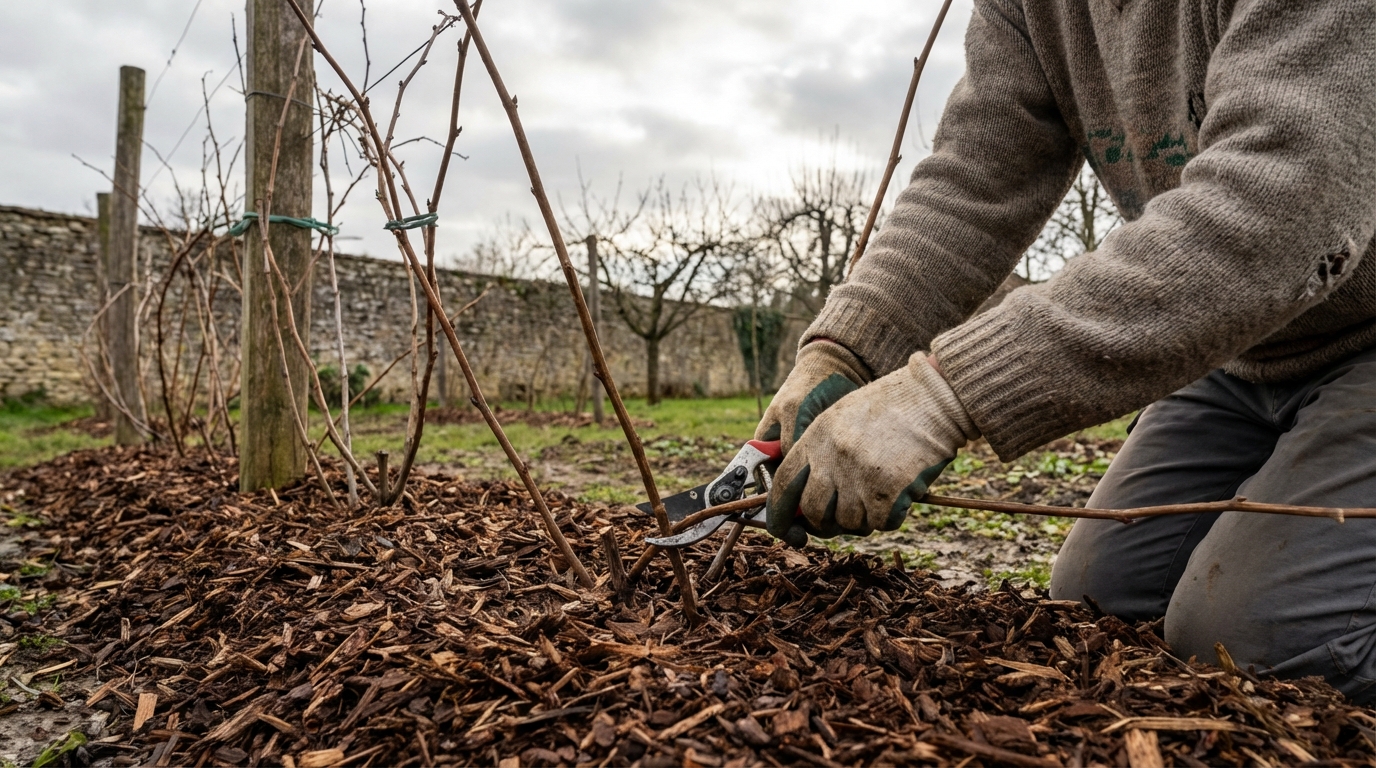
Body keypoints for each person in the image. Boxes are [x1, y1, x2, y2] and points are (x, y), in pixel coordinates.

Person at [758, 0, 1376, 702]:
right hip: (1240, 352)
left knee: (1264, 641)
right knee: (1103, 598)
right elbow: (972, 181)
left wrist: (947, 394)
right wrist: (847, 349)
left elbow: (1282, 206)